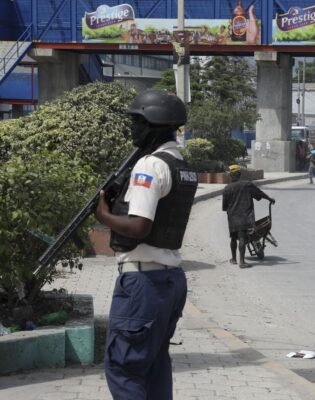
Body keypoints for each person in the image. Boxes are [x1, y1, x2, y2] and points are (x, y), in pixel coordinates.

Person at [95, 90, 198, 400]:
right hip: (170, 281)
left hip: (143, 283)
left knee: (124, 368)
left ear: (154, 125)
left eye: (137, 122)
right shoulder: (181, 163)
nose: (132, 129)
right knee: (153, 366)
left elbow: (139, 226)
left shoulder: (149, 166)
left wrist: (103, 214)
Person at [222, 165, 275, 268]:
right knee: (242, 237)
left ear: (230, 176)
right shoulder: (247, 185)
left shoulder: (227, 188)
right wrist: (269, 199)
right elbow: (259, 194)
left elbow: (224, 207)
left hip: (232, 217)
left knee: (233, 237)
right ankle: (241, 262)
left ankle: (233, 259)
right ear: (240, 174)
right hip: (245, 216)